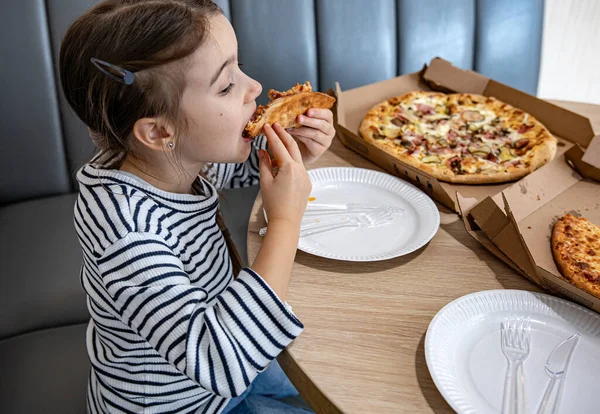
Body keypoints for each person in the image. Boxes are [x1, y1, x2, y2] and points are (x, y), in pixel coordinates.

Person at [59, 1, 336, 412]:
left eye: (239, 66)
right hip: (192, 397)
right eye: (226, 86)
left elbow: (238, 173)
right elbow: (222, 362)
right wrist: (284, 220)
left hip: (232, 345)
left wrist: (291, 152)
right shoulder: (127, 233)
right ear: (157, 131)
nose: (256, 87)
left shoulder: (179, 159)